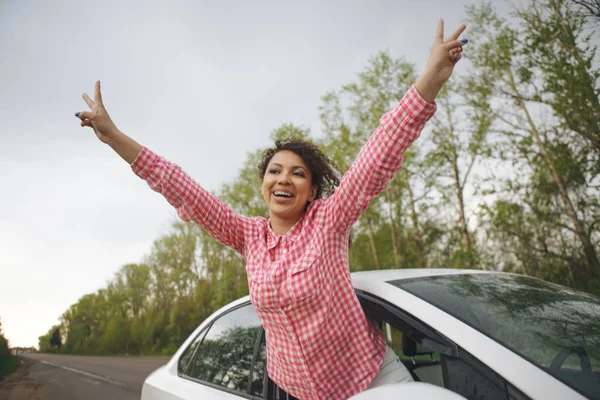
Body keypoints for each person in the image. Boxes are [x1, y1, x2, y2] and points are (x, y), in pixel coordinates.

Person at [75, 19, 467, 400]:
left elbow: (378, 155)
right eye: (274, 171)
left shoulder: (328, 222)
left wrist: (431, 77)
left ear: (312, 190)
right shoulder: (248, 236)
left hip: (372, 381)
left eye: (297, 174)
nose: (284, 179)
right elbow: (181, 187)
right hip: (292, 390)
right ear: (263, 185)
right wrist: (113, 137)